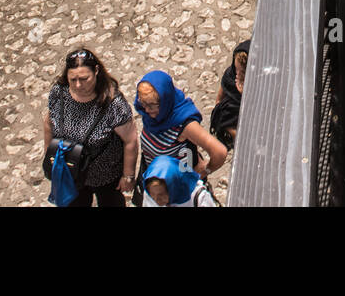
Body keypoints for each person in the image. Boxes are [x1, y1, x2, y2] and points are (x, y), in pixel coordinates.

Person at [42, 48, 139, 207]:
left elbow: (130, 140)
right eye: (73, 79)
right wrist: (49, 155)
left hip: (105, 174)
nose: (78, 85)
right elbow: (49, 122)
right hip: (71, 171)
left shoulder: (113, 103)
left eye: (84, 79)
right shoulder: (59, 92)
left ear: (96, 71)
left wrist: (128, 176)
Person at [132, 70, 226, 205]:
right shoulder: (152, 115)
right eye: (143, 104)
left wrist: (204, 171)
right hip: (154, 184)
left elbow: (219, 152)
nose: (146, 110)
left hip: (178, 192)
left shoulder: (183, 123)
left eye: (152, 105)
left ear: (165, 100)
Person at [209, 39, 250, 151]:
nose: (237, 74)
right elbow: (220, 98)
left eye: (242, 72)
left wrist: (243, 93)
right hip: (229, 115)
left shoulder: (256, 85)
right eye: (236, 69)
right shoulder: (230, 75)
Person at [140, 155, 217, 207]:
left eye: (161, 195)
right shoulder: (149, 194)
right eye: (153, 195)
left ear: (173, 187)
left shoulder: (199, 197)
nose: (157, 201)